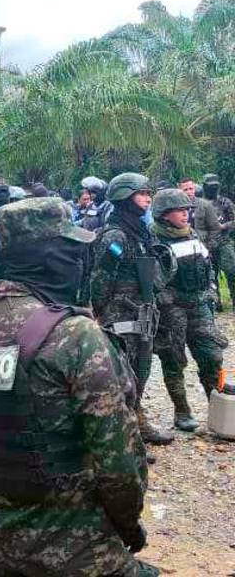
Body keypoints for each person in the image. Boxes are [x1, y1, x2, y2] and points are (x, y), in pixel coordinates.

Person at [0, 197, 155, 577]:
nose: (78, 263)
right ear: (51, 259)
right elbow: (119, 460)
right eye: (71, 252)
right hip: (78, 547)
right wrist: (128, 522)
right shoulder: (76, 335)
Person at [91, 173, 174, 446]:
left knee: (143, 369)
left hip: (143, 312)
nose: (148, 198)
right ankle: (124, 438)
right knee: (121, 375)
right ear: (124, 197)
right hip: (120, 315)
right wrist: (99, 311)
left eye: (149, 193)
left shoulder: (141, 231)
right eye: (141, 193)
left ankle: (137, 419)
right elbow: (101, 278)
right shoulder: (115, 235)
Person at [151, 189, 228, 431]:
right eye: (180, 211)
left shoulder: (192, 234)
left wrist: (212, 291)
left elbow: (206, 267)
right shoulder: (153, 241)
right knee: (174, 360)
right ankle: (182, 411)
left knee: (212, 356)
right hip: (172, 310)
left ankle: (219, 411)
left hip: (199, 305)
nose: (186, 215)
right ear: (164, 215)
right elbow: (152, 281)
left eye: (187, 210)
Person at [201, 173, 235, 311]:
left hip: (224, 242)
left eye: (215, 186)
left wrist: (223, 226)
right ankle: (215, 303)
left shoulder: (225, 202)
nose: (213, 189)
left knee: (232, 271)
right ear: (204, 187)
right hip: (206, 244)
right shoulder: (199, 203)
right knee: (209, 275)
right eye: (210, 186)